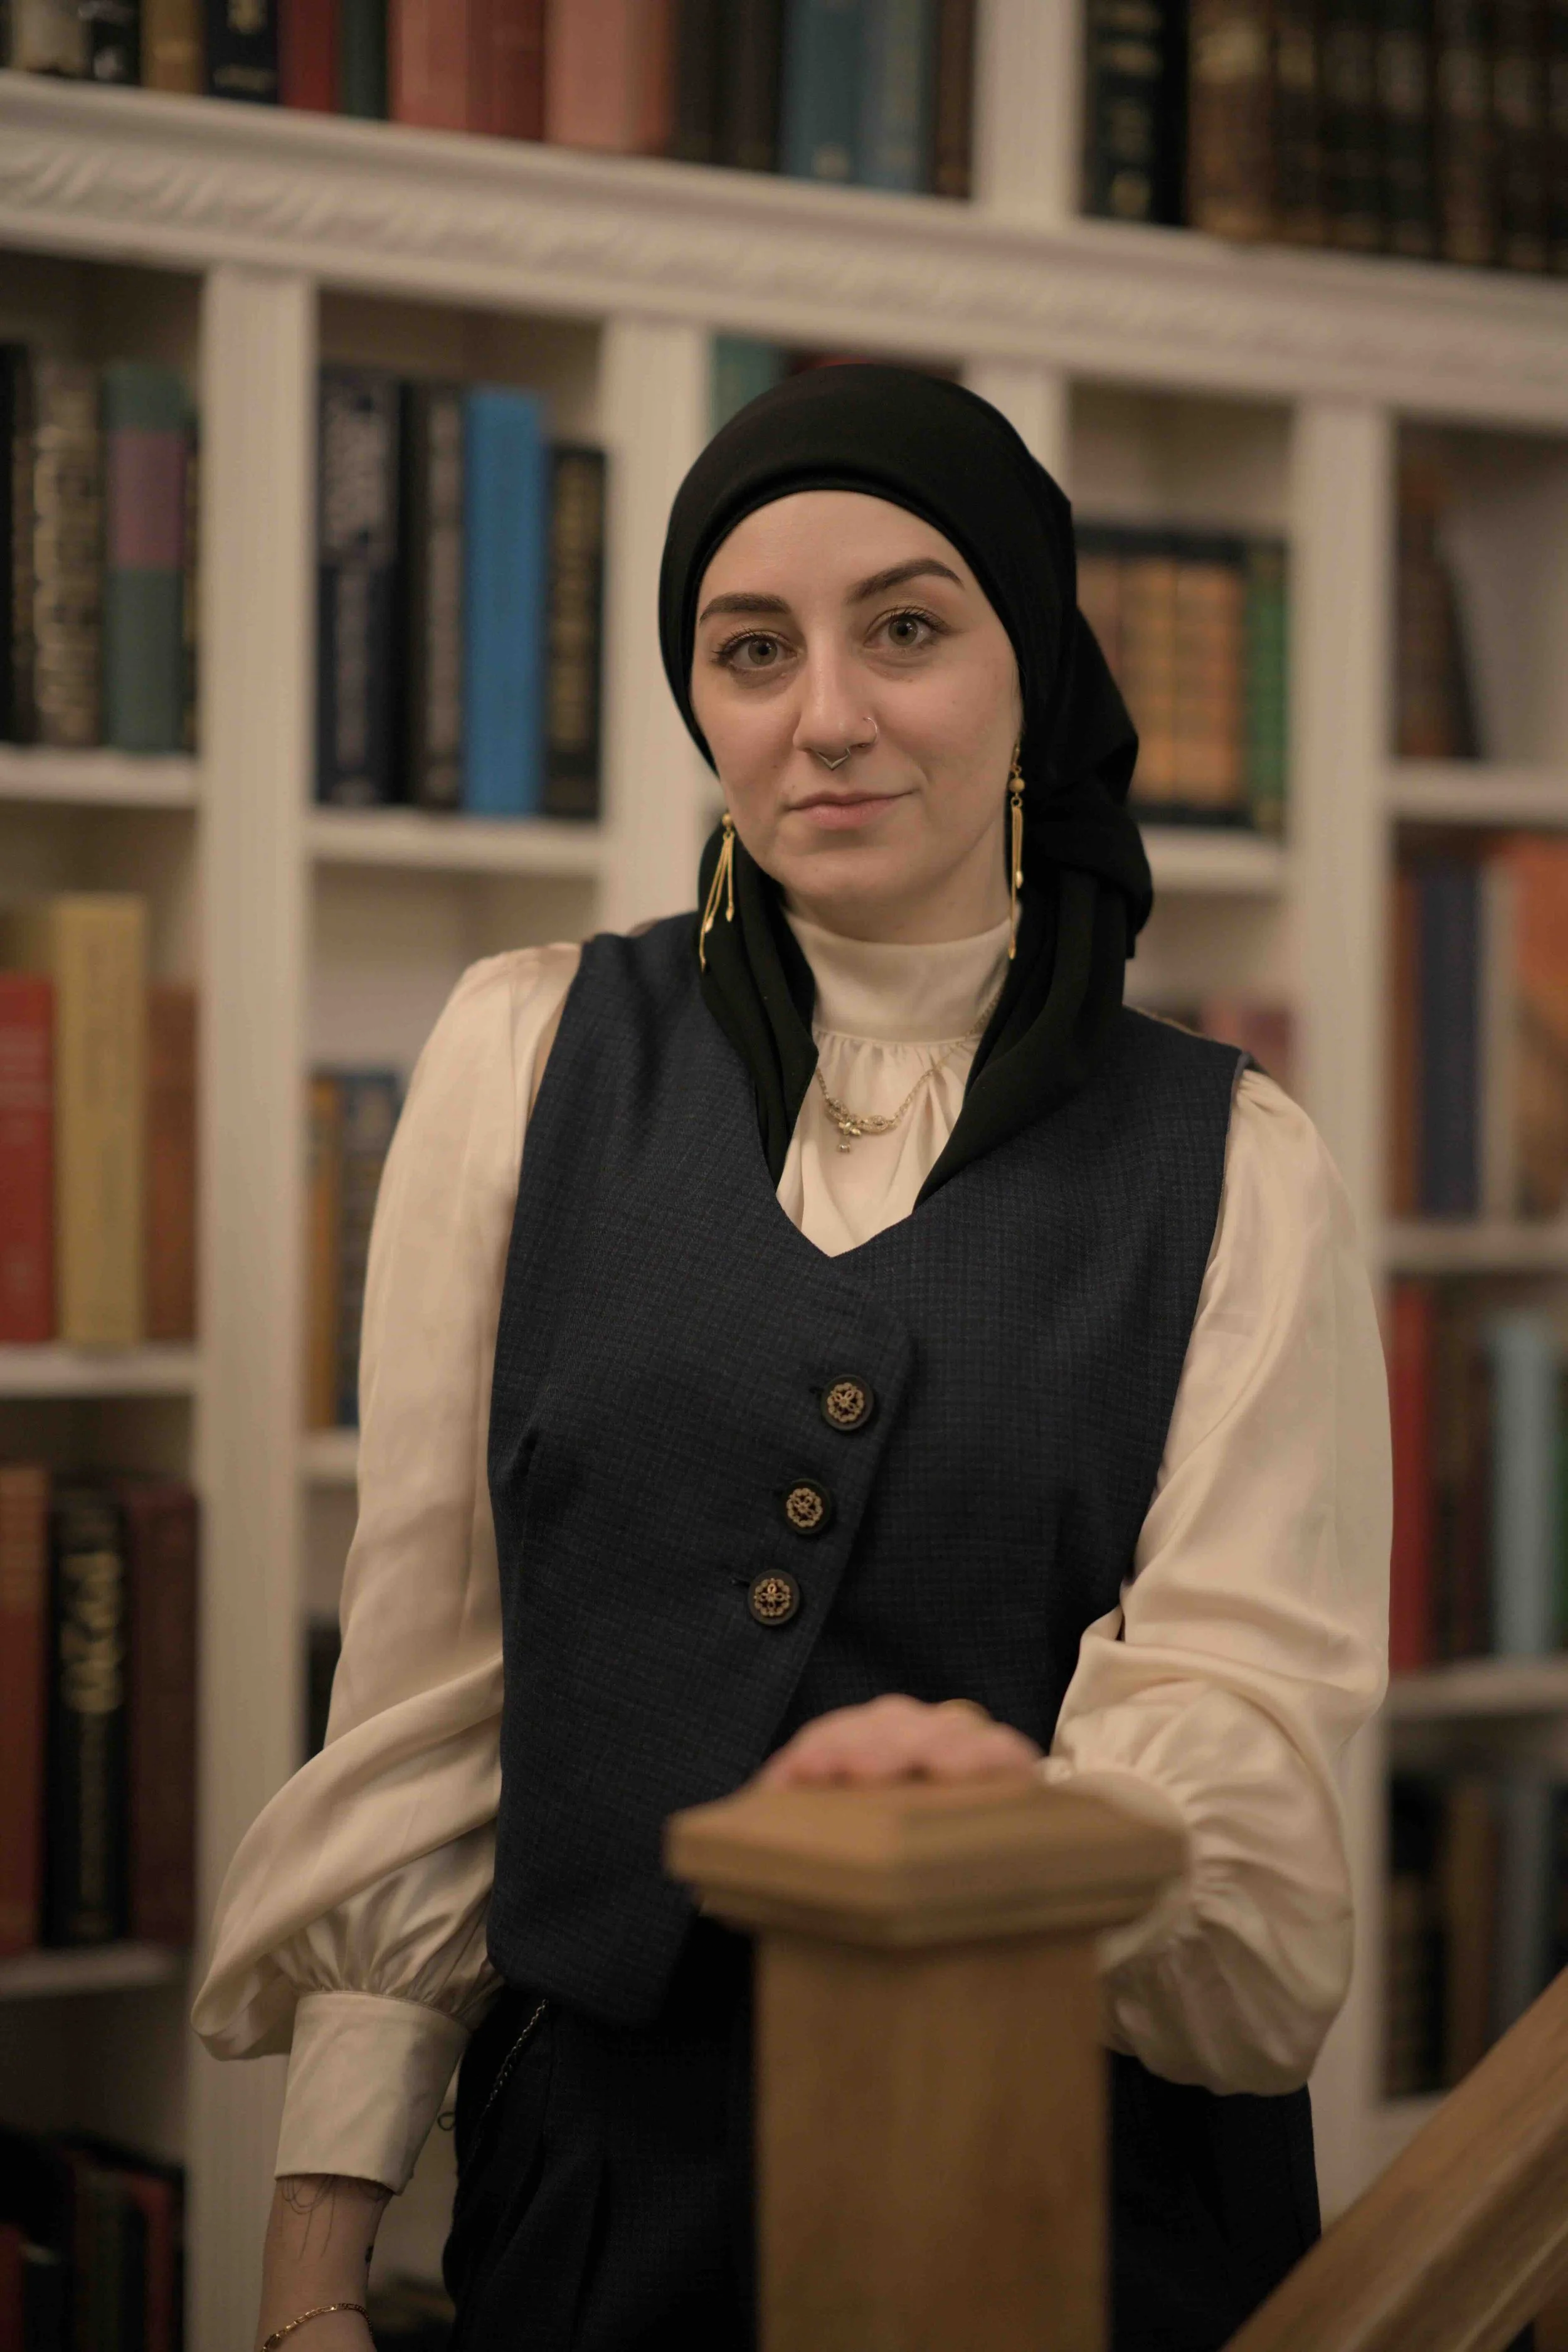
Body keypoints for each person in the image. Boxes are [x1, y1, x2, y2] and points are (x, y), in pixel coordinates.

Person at [196, 364, 1390, 2352]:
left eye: (904, 629)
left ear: (1030, 670)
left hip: (1072, 2203)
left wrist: (1036, 1830)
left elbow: (1241, 1770)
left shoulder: (1237, 1164)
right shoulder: (523, 1058)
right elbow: (423, 1698)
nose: (823, 713)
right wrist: (313, 2274)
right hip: (595, 2201)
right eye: (751, 649)